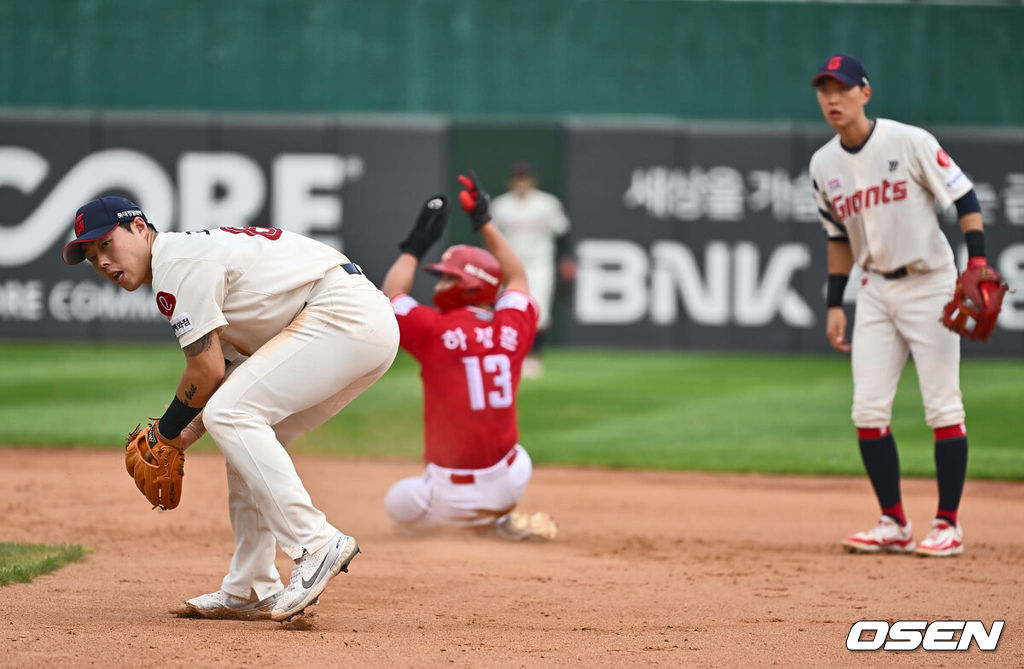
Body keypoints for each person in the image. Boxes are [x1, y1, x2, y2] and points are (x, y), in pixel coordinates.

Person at [61, 196, 399, 619]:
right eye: (92, 258)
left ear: (140, 229)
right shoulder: (182, 259)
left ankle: (315, 542)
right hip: (355, 320)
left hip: (342, 314)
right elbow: (226, 375)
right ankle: (252, 584)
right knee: (242, 429)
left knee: (231, 417)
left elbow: (205, 370)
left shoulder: (176, 265)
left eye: (106, 245)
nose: (103, 263)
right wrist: (184, 435)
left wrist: (164, 434)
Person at [808, 54, 990, 557]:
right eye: (824, 90)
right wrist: (834, 302)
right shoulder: (823, 164)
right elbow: (837, 236)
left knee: (942, 406)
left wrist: (976, 264)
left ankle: (947, 524)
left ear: (865, 93)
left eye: (841, 89)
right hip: (873, 289)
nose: (832, 99)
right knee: (867, 409)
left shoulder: (908, 141)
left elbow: (966, 198)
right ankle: (893, 522)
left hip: (930, 282)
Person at [379, 172, 557, 540]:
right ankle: (496, 518)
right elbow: (518, 278)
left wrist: (415, 245)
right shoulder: (512, 327)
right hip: (509, 482)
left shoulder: (434, 331)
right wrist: (485, 224)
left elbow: (392, 293)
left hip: (447, 493)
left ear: (469, 285)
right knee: (519, 456)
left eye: (448, 278)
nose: (439, 284)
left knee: (397, 503)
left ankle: (460, 524)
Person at [489, 161, 574, 378]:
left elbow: (562, 233)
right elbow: (491, 240)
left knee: (539, 310)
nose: (521, 183)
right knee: (504, 309)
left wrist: (567, 259)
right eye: (517, 179)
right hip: (509, 265)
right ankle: (507, 354)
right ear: (511, 182)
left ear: (532, 181)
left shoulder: (547, 204)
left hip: (539, 264)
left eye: (525, 179)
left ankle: (534, 357)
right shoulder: (500, 206)